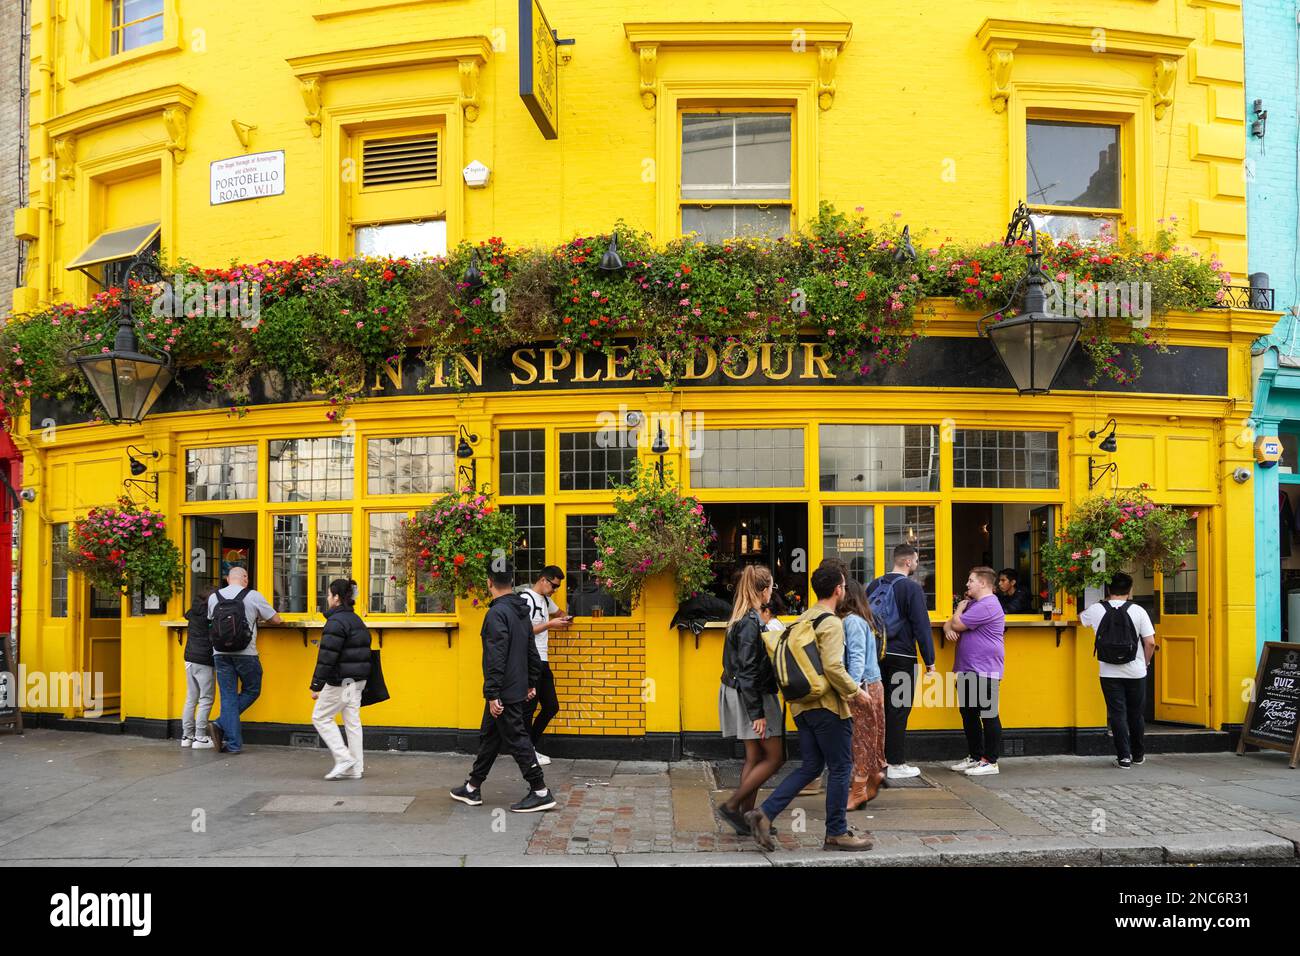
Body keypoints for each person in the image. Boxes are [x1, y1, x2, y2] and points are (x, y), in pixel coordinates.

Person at [746, 561, 873, 852]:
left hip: (801, 708)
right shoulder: (830, 623)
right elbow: (833, 667)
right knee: (841, 767)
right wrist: (857, 693)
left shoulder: (803, 619)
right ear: (839, 589)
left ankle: (764, 814)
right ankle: (837, 832)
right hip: (828, 708)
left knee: (812, 766)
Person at [451, 563, 556, 813]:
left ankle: (540, 790)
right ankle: (472, 787)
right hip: (516, 685)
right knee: (490, 736)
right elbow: (532, 648)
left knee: (518, 738)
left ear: (489, 582)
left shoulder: (497, 614)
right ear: (511, 581)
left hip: (504, 690)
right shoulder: (520, 610)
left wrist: (493, 694)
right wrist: (531, 681)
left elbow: (495, 657)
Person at [716, 565, 785, 836]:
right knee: (776, 756)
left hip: (741, 692)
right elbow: (748, 670)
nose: (772, 593)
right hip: (751, 694)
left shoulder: (744, 618)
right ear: (764, 590)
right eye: (771, 588)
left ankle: (747, 817)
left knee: (755, 755)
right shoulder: (750, 623)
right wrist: (757, 713)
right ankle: (733, 807)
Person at [867, 544, 936, 780]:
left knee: (878, 709)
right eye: (916, 561)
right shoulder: (911, 588)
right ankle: (895, 763)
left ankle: (877, 760)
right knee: (898, 709)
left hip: (877, 655)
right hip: (903, 656)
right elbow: (921, 626)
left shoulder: (875, 585)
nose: (916, 565)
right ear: (908, 562)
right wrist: (930, 660)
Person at [1079, 571, 1156, 769]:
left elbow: (1081, 619)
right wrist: (1145, 663)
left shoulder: (1096, 609)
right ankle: (1138, 755)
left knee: (1117, 714)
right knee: (1136, 714)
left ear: (1108, 589)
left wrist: (1102, 603)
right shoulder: (1138, 610)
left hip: (1109, 672)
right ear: (1130, 590)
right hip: (1136, 671)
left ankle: (1124, 758)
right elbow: (1150, 642)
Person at [207, 565, 281, 754]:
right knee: (252, 690)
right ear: (245, 578)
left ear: (228, 579)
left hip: (220, 653)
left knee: (228, 697)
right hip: (246, 653)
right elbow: (276, 620)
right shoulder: (253, 596)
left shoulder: (213, 597)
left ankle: (232, 741)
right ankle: (220, 724)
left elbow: (211, 621)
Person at [944, 566, 1007, 776]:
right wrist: (949, 626)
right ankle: (975, 756)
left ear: (982, 583)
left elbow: (958, 624)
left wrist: (959, 609)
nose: (967, 584)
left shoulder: (987, 605)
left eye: (970, 581)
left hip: (985, 669)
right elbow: (949, 624)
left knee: (988, 715)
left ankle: (990, 761)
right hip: (969, 667)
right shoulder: (975, 603)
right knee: (969, 714)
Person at [310, 578, 373, 780]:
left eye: (329, 595)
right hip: (358, 680)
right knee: (352, 722)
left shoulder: (336, 622)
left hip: (342, 681)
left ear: (337, 598)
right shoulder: (356, 620)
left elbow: (327, 657)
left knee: (320, 716)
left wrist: (316, 685)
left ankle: (343, 757)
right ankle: (356, 768)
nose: (327, 598)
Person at [519, 565, 572, 765]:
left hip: (543, 660)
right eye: (554, 586)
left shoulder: (546, 600)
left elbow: (560, 612)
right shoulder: (526, 599)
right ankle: (527, 752)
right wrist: (550, 624)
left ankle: (529, 746)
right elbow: (524, 632)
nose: (555, 590)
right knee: (529, 708)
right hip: (531, 660)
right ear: (543, 580)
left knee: (551, 706)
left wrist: (563, 618)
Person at [840, 578, 886, 809]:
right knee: (869, 736)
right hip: (871, 684)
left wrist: (852, 690)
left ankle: (858, 790)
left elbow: (856, 658)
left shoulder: (852, 621)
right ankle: (874, 775)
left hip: (864, 687)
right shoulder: (861, 619)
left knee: (859, 740)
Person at [181, 588, 216, 750]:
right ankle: (200, 737)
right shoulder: (209, 614)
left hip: (189, 658)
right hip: (204, 659)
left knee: (191, 698)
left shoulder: (193, 612)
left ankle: (187, 736)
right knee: (206, 698)